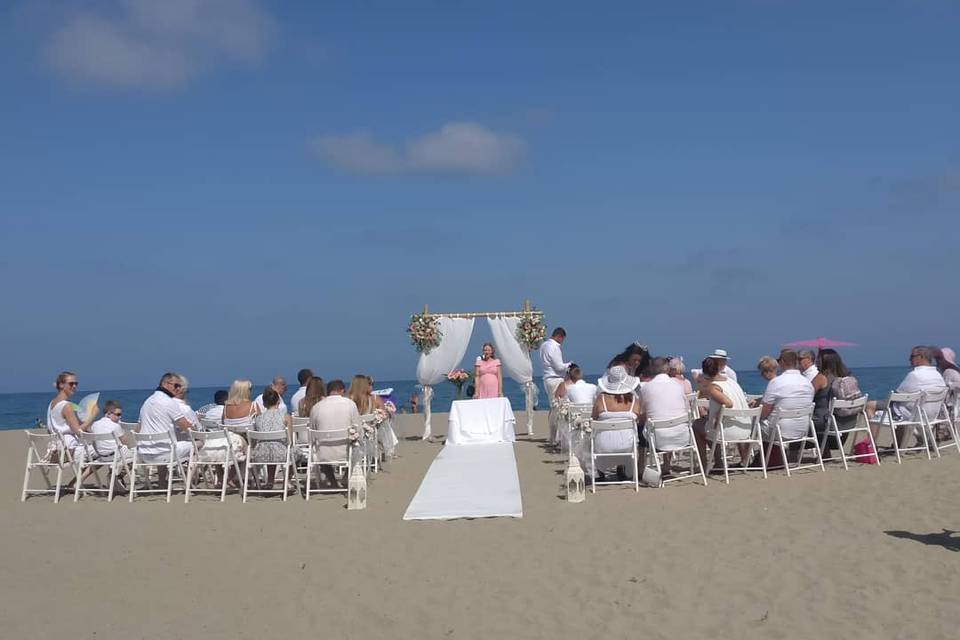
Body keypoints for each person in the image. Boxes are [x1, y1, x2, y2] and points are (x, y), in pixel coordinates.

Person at [695, 357, 753, 469]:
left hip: (729, 431)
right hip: (746, 429)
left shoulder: (714, 387)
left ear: (705, 372)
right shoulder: (731, 382)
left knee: (697, 425)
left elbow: (728, 403)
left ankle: (706, 465)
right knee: (709, 425)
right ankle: (721, 461)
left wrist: (717, 416)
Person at [591, 365, 643, 479]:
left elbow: (593, 419)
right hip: (627, 448)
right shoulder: (634, 400)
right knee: (624, 435)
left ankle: (601, 472)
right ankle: (621, 467)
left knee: (595, 436)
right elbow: (639, 421)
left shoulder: (601, 399)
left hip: (603, 448)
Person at [759, 350, 815, 453]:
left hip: (780, 432)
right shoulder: (808, 383)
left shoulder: (776, 382)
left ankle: (754, 459)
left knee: (755, 423)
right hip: (803, 430)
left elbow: (763, 413)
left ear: (782, 362)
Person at [308, 379, 361, 486]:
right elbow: (358, 428)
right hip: (346, 451)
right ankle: (346, 476)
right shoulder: (350, 404)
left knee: (319, 447)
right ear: (342, 391)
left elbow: (312, 431)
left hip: (322, 454)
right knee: (358, 445)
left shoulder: (316, 407)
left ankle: (332, 481)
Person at [641, 357, 691, 468]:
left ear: (651, 369)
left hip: (658, 440)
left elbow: (642, 413)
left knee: (645, 427)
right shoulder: (678, 386)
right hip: (682, 436)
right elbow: (687, 409)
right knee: (669, 421)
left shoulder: (646, 388)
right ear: (668, 369)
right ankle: (666, 465)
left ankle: (640, 468)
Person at [812, 348, 859, 458]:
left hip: (827, 426)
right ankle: (825, 452)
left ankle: (792, 456)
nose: (816, 363)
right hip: (847, 423)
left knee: (801, 422)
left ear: (824, 362)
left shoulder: (821, 378)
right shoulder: (847, 377)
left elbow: (806, 396)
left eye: (818, 360)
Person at [137, 373, 194, 462]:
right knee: (198, 443)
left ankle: (162, 477)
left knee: (163, 445)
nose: (178, 389)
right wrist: (199, 434)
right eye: (176, 385)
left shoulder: (146, 402)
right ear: (165, 384)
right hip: (166, 454)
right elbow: (186, 427)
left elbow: (138, 429)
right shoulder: (169, 402)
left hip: (144, 454)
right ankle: (193, 475)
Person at [46, 371, 99, 458]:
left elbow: (53, 428)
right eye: (71, 384)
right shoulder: (66, 406)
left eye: (76, 384)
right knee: (106, 450)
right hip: (69, 450)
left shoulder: (51, 404)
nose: (74, 386)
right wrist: (93, 415)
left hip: (56, 449)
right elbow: (79, 432)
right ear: (61, 385)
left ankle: (84, 472)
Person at [250, 387, 293, 488]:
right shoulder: (286, 416)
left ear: (264, 404)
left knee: (269, 446)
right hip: (281, 455)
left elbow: (254, 441)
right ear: (278, 401)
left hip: (260, 455)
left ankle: (270, 481)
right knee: (295, 452)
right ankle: (287, 481)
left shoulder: (258, 418)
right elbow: (290, 440)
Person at [540, 327, 571, 443]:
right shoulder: (554, 347)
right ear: (559, 336)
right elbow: (558, 366)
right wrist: (569, 365)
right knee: (557, 408)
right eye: (562, 339)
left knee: (553, 407)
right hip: (555, 379)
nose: (562, 342)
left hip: (547, 378)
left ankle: (553, 436)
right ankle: (555, 438)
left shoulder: (544, 345)